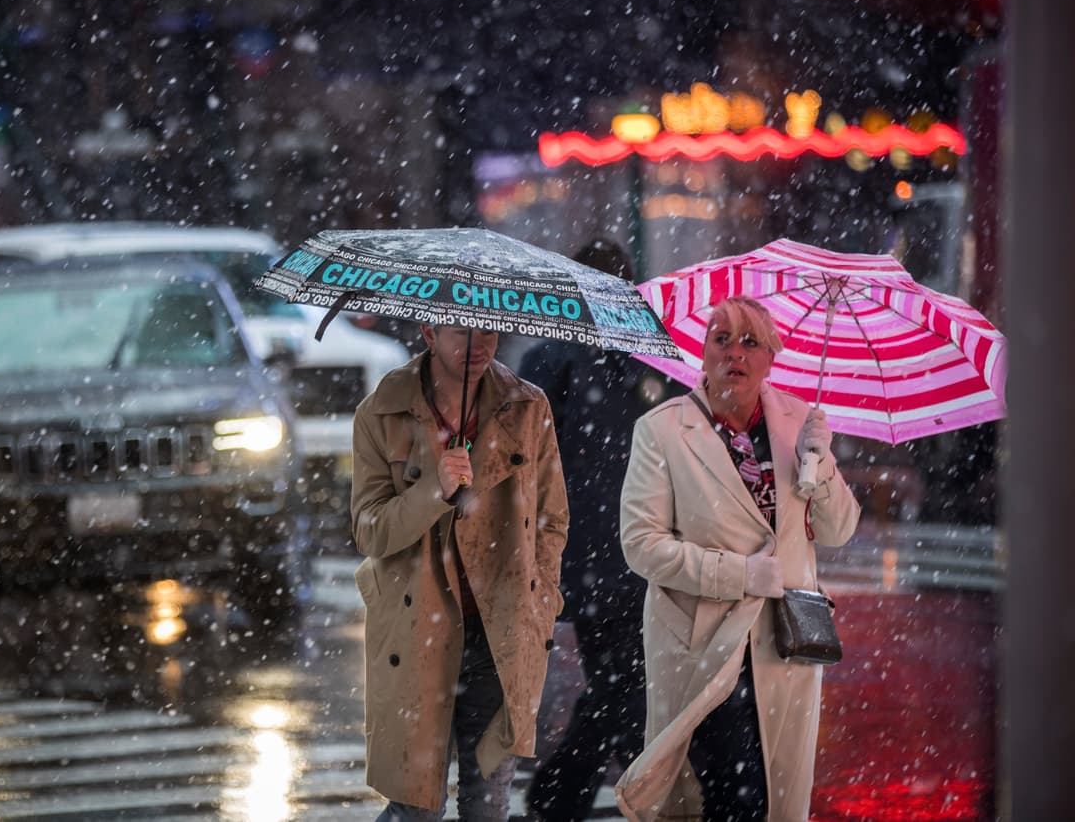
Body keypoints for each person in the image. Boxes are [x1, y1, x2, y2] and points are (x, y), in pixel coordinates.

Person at [614, 295, 861, 822]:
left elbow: (839, 529)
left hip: (783, 644)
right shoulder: (662, 430)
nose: (735, 353)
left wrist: (824, 465)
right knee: (730, 789)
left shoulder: (800, 423)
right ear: (701, 352)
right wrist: (739, 574)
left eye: (751, 342)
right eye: (721, 338)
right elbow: (641, 543)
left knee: (770, 790)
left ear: (771, 357)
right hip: (703, 640)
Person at [350, 322, 569, 820]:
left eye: (488, 330)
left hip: (502, 634)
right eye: (462, 332)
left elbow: (554, 518)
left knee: (488, 805)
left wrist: (542, 597)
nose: (479, 345)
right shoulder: (380, 412)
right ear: (429, 332)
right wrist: (433, 489)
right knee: (417, 808)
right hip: (416, 633)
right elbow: (370, 531)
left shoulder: (527, 408)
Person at [520, 239, 684, 821]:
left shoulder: (551, 359)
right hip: (634, 552)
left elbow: (531, 458)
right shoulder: (654, 360)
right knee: (627, 686)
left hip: (591, 556)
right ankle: (585, 792)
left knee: (621, 685)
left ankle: (568, 792)